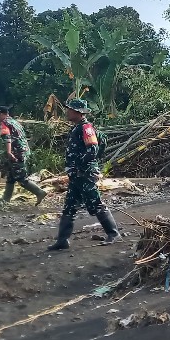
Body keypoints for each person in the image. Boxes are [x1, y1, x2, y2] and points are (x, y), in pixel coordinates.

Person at [47, 98, 120, 251]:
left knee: (96, 204)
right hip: (76, 176)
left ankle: (113, 234)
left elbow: (92, 149)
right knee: (69, 207)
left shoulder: (86, 127)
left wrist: (80, 166)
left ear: (79, 113)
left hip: (85, 174)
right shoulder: (76, 128)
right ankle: (62, 240)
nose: (67, 112)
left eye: (70, 110)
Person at [0, 106, 47, 205]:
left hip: (16, 153)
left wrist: (9, 152)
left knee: (21, 178)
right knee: (11, 176)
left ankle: (39, 192)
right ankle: (6, 199)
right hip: (23, 151)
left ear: (1, 114)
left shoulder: (4, 123)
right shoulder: (15, 122)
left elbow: (7, 139)